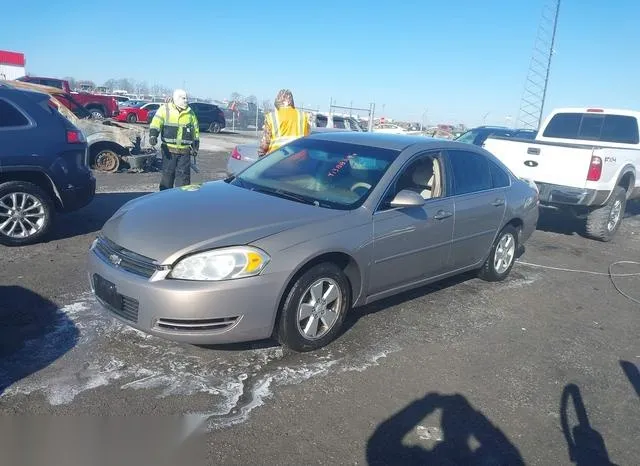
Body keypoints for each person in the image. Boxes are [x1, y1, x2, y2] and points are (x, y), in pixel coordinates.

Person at [149, 89, 200, 190]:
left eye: (186, 98)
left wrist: (195, 146)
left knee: (184, 178)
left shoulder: (190, 113)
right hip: (168, 150)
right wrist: (153, 135)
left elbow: (195, 130)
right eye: (183, 98)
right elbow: (156, 123)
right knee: (168, 176)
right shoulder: (165, 109)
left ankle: (182, 200)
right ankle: (165, 198)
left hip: (184, 151)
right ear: (176, 99)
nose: (185, 100)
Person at [258, 89, 310, 157]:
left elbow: (265, 143)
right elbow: (308, 139)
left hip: (276, 158)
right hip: (299, 158)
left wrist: (261, 155)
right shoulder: (303, 116)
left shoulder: (271, 117)